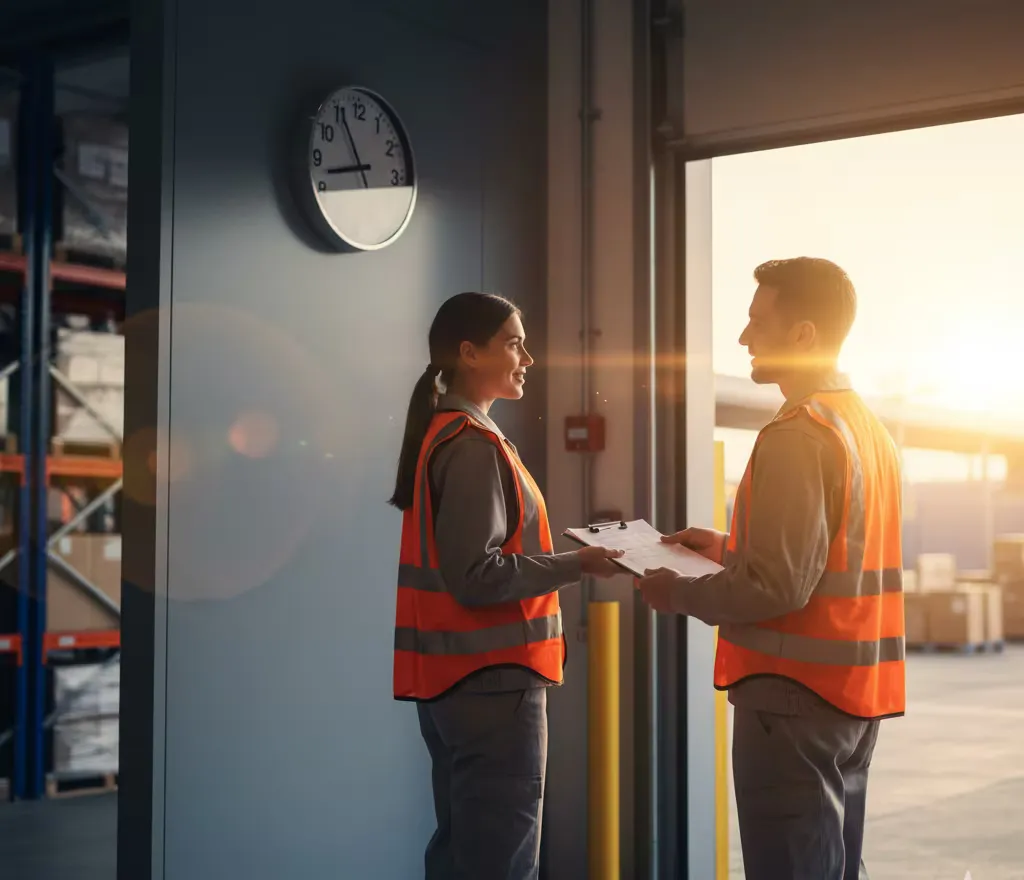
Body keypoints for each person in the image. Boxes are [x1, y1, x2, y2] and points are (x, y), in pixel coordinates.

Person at [637, 258, 905, 880]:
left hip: (793, 700)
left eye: (759, 320)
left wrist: (676, 591)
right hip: (852, 699)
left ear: (804, 334)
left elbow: (780, 584)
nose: (743, 336)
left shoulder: (797, 433)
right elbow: (830, 556)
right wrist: (727, 547)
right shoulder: (864, 428)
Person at [390, 291, 623, 880]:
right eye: (514, 342)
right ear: (470, 353)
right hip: (492, 688)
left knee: (464, 853)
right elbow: (476, 575)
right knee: (499, 861)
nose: (528, 357)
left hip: (458, 686)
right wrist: (581, 563)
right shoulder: (472, 446)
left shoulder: (450, 436)